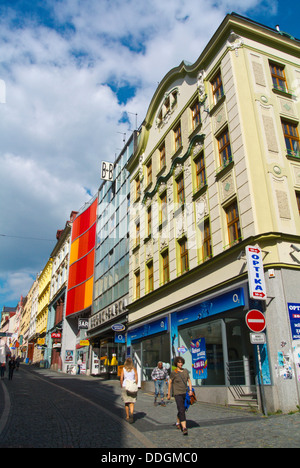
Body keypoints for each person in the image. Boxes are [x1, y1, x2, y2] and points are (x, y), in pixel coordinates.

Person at [167, 356, 193, 436]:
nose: (180, 364)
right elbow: (170, 382)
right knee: (181, 409)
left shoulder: (185, 371)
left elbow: (189, 380)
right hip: (177, 393)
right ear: (176, 363)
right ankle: (184, 428)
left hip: (185, 393)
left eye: (181, 362)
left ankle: (178, 422)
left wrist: (191, 390)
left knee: (183, 409)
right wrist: (168, 393)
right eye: (179, 362)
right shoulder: (174, 372)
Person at [120, 358, 138, 423]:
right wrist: (135, 384)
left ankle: (127, 416)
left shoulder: (123, 369)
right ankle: (132, 413)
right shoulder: (134, 369)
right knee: (132, 402)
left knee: (126, 402)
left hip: (125, 386)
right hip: (132, 387)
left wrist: (121, 385)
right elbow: (136, 378)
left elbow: (121, 378)